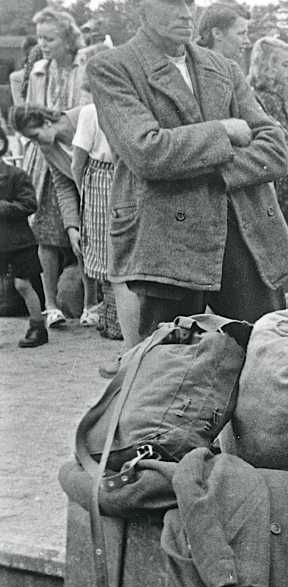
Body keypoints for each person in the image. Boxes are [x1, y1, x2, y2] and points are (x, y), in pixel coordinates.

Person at [87, 0, 288, 338]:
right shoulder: (113, 68)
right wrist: (224, 130)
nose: (186, 13)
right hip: (166, 240)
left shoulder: (223, 67)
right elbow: (147, 152)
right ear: (141, 10)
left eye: (189, 2)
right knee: (171, 359)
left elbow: (276, 150)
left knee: (262, 351)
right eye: (172, 3)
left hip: (244, 234)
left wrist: (206, 166)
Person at [24, 6, 88, 331]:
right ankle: (50, 305)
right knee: (46, 232)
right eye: (40, 38)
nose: (43, 44)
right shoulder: (38, 70)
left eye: (49, 38)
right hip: (45, 157)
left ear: (66, 38)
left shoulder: (83, 65)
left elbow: (88, 113)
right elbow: (30, 113)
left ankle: (91, 302)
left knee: (86, 227)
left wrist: (59, 125)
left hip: (77, 153)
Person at [10, 105, 81, 330]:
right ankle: (51, 305)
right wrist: (71, 225)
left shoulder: (84, 119)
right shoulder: (48, 148)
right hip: (79, 193)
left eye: (35, 136)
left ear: (47, 123)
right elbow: (63, 185)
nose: (36, 143)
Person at [68, 43, 121, 339]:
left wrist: (83, 192)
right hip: (124, 177)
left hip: (100, 179)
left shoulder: (90, 112)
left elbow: (77, 162)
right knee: (116, 246)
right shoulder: (124, 106)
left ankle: (113, 317)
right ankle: (114, 315)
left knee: (102, 247)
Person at [249, 35, 288, 243]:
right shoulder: (266, 100)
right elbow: (285, 145)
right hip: (283, 182)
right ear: (268, 67)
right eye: (285, 65)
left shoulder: (273, 97)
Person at [0, 124, 46, 348]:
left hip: (19, 243)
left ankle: (38, 328)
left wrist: (4, 207)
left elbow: (30, 204)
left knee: (23, 285)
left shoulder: (16, 175)